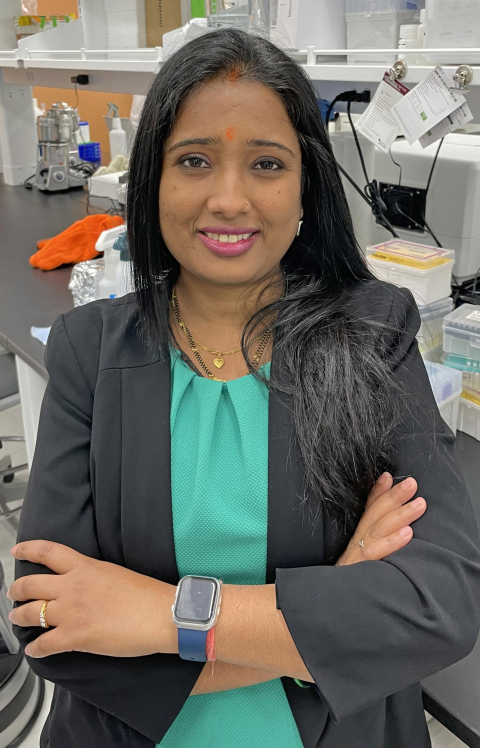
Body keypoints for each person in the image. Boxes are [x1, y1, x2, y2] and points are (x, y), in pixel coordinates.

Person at [8, 27, 480, 748]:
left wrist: (160, 616)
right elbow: (49, 628)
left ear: (305, 186)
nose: (229, 199)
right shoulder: (88, 351)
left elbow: (440, 602)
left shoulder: (373, 332)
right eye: (194, 160)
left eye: (266, 163)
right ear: (153, 180)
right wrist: (323, 629)